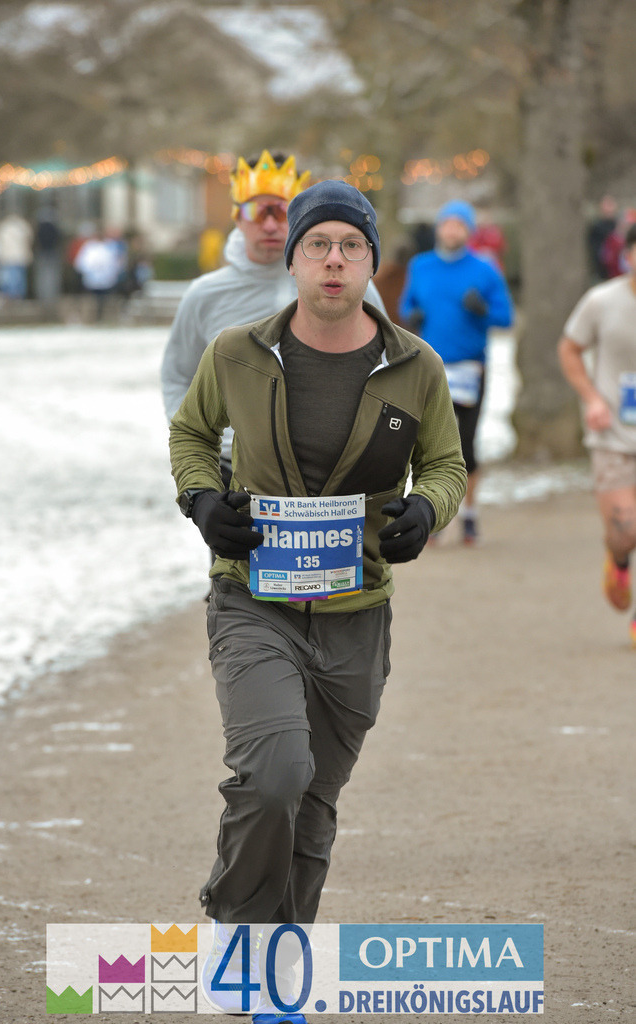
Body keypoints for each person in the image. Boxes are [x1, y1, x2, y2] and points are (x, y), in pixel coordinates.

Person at [169, 180, 467, 1023]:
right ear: (294, 260)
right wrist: (202, 501)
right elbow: (191, 433)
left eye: (350, 246)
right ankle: (238, 932)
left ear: (371, 263)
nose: (334, 261)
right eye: (317, 245)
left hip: (356, 615)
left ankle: (276, 976)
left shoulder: (416, 366)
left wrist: (426, 511)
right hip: (253, 601)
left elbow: (446, 464)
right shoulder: (236, 353)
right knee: (274, 774)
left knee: (313, 805)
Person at [160, 149, 387, 485]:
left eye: (280, 211)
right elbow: (178, 377)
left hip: (333, 471)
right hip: (232, 470)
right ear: (238, 217)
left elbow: (386, 366)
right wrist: (202, 460)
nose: (268, 224)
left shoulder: (347, 283)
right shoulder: (204, 295)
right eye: (255, 211)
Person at [398, 199, 514, 544]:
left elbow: (505, 317)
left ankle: (470, 515)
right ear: (439, 228)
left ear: (468, 231)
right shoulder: (421, 266)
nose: (451, 231)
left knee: (466, 445)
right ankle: (434, 513)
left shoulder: (484, 268)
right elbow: (406, 305)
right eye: (447, 224)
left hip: (470, 368)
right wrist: (413, 316)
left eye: (459, 225)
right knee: (428, 445)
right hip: (431, 368)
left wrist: (482, 310)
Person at [558, 222, 636, 647]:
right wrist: (592, 399)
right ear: (628, 255)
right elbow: (569, 348)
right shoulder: (602, 301)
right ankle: (619, 559)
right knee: (626, 530)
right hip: (613, 436)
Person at [73, 228, 123, 321]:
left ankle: (102, 317)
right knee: (93, 300)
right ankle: (92, 317)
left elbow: (115, 264)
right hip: (92, 281)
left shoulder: (108, 247)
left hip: (105, 281)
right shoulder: (89, 247)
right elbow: (81, 264)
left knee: (103, 300)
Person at [0, 210, 34, 299]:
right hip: (19, 256)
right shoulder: (23, 226)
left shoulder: (3, 227)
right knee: (18, 278)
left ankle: (11, 295)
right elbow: (30, 239)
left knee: (9, 278)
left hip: (8, 256)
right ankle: (17, 295)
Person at [587, 195, 618, 281]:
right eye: (606, 205)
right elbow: (596, 252)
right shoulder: (596, 227)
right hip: (602, 273)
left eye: (610, 204)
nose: (609, 208)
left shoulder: (619, 225)